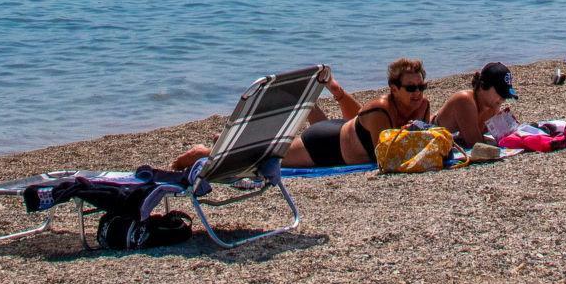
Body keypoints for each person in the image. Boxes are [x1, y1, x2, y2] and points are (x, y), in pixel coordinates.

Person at [175, 61, 431, 171]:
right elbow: (384, 159)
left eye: (421, 87)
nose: (417, 93)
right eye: (411, 88)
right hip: (325, 145)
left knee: (272, 149)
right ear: (394, 89)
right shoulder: (381, 110)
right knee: (266, 157)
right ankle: (205, 151)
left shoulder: (423, 106)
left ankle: (309, 106)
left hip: (343, 131)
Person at [433, 62, 517, 150]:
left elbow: (503, 137)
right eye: (500, 93)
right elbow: (475, 143)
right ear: (482, 86)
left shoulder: (492, 105)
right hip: (432, 131)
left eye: (505, 95)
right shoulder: (464, 100)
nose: (502, 99)